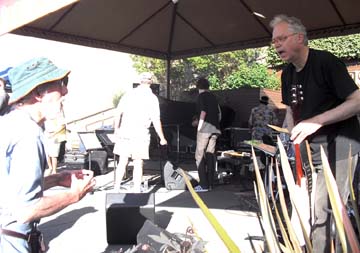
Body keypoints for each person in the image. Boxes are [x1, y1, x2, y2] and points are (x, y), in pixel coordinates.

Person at [270, 14, 360, 252]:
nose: (276, 44)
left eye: (281, 38)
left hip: (340, 149)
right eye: (274, 41)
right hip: (309, 153)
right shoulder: (287, 73)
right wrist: (291, 133)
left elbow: (357, 101)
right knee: (309, 210)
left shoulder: (326, 62)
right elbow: (291, 110)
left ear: (300, 38)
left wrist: (316, 121)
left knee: (324, 212)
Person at [0, 57, 96, 253]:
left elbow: (11, 190)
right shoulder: (28, 134)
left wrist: (57, 179)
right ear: (37, 93)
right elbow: (26, 210)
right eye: (60, 84)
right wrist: (74, 195)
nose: (65, 91)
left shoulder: (11, 121)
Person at [113, 72, 167, 193]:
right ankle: (136, 189)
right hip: (141, 134)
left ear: (139, 81)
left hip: (125, 132)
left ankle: (116, 187)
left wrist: (116, 130)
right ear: (151, 82)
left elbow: (118, 113)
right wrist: (162, 138)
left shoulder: (128, 94)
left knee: (122, 161)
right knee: (138, 162)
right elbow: (156, 120)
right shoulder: (152, 98)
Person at [193, 77, 221, 192]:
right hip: (215, 129)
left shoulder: (201, 96)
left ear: (198, 87)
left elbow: (203, 112)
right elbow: (219, 113)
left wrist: (199, 126)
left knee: (199, 156)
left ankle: (203, 185)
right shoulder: (214, 97)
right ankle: (211, 183)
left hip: (205, 129)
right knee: (210, 155)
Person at [44, 103, 67, 175]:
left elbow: (62, 126)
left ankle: (54, 170)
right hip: (47, 134)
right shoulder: (48, 115)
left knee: (54, 154)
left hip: (55, 136)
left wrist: (53, 134)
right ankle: (50, 167)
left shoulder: (60, 116)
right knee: (47, 153)